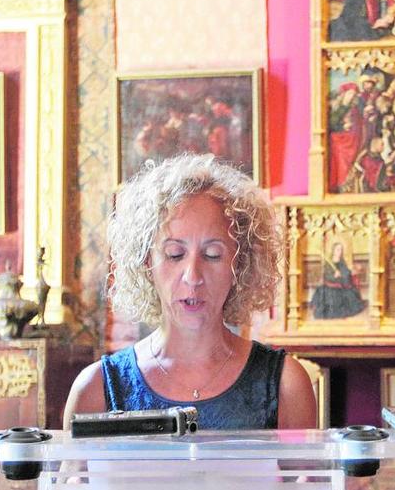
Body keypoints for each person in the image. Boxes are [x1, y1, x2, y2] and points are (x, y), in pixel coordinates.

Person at [64, 153, 317, 430]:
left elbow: (308, 475)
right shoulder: (96, 388)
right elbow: (72, 474)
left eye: (212, 255)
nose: (193, 276)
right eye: (174, 254)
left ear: (240, 263)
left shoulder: (285, 385)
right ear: (146, 262)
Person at [311, 241, 367, 319]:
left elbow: (346, 272)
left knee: (351, 295)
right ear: (333, 250)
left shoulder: (342, 261)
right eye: (338, 249)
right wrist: (334, 276)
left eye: (341, 250)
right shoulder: (328, 263)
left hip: (341, 285)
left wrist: (346, 273)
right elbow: (326, 275)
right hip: (330, 286)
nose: (339, 252)